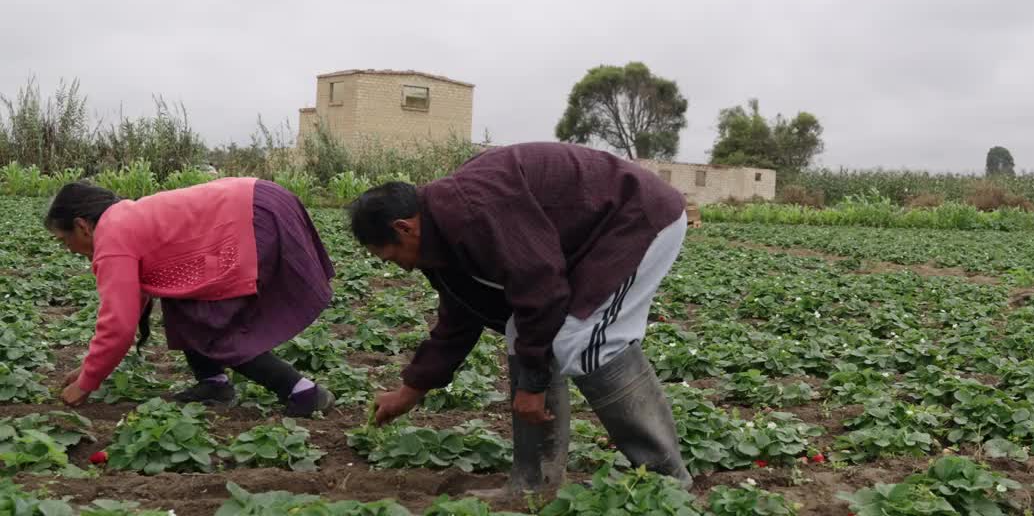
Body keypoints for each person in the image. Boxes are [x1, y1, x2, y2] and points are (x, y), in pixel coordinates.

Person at [348, 142, 693, 493]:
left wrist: (532, 385)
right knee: (521, 328)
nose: (395, 265)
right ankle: (532, 484)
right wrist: (411, 389)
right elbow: (459, 317)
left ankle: (667, 483)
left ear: (404, 227)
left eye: (388, 255)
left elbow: (540, 286)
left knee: (588, 338)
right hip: (585, 241)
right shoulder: (441, 235)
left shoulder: (471, 211)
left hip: (635, 216)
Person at [46, 177, 336, 416]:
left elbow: (118, 325)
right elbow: (133, 303)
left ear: (82, 225)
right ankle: (213, 383)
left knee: (216, 327)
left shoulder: (111, 236)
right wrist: (88, 368)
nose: (67, 249)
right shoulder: (124, 218)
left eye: (64, 240)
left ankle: (303, 391)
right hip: (259, 201)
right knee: (184, 304)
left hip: (251, 215)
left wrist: (86, 383)